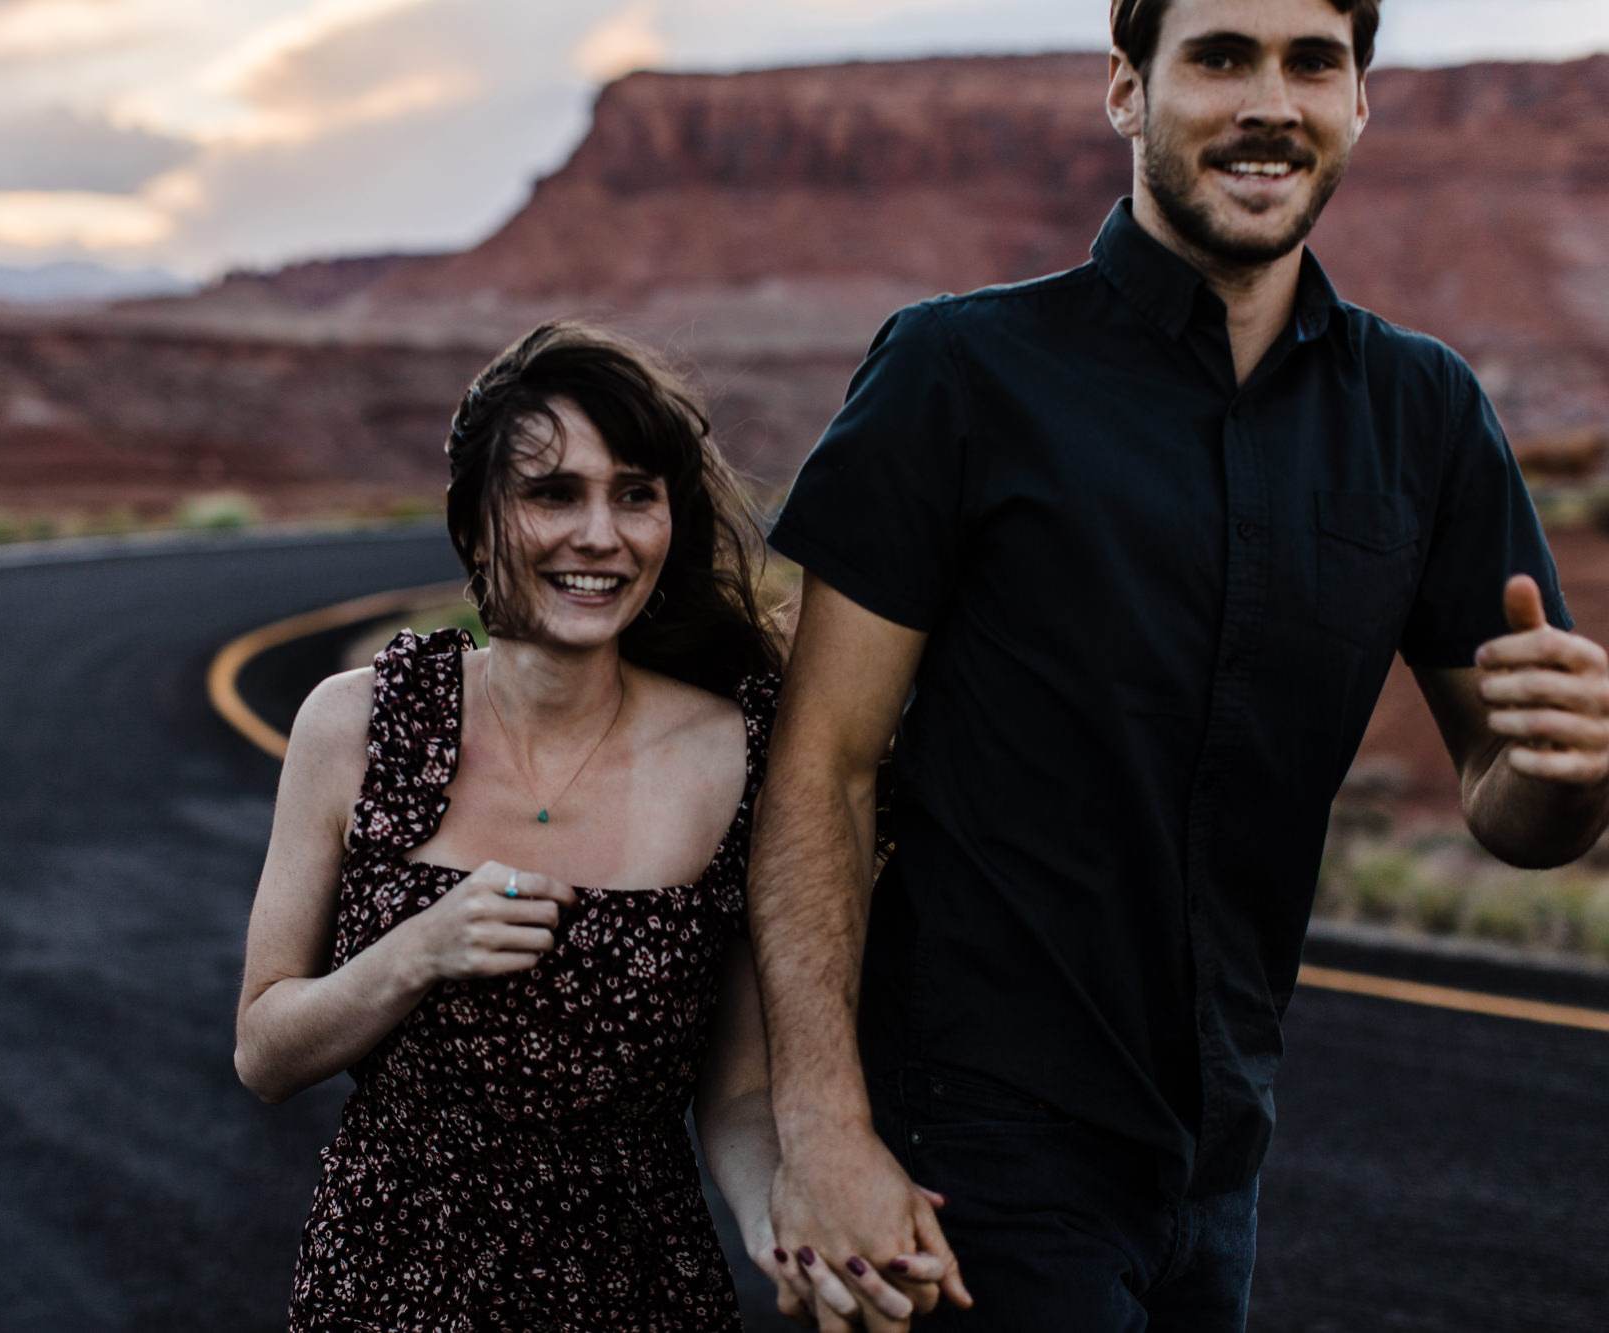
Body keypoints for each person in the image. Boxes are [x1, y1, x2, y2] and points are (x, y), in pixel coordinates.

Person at [747, 0, 1609, 1329]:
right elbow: (823, 768)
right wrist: (823, 1130)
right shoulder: (959, 373)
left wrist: (1570, 770)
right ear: (1125, 91)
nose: (1273, 100)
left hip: (1219, 1163)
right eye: (1220, 56)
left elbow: (1511, 803)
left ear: (1360, 102)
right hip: (970, 1151)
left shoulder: (1424, 412)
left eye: (1314, 62)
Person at [233, 323, 950, 1329]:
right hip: (383, 1288)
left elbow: (736, 1095)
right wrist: (415, 953)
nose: (600, 536)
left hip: (638, 1295)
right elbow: (263, 1049)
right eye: (551, 494)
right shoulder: (355, 724)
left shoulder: (740, 752)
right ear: (475, 523)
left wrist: (785, 1221)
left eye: (634, 495)